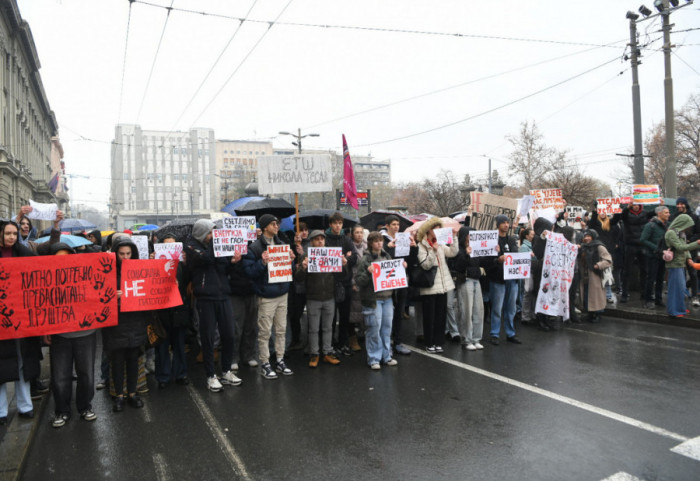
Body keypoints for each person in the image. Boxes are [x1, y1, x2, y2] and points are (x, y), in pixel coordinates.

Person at [185, 219, 241, 392]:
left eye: (214, 232)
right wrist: (217, 243)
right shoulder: (191, 247)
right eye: (210, 232)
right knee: (208, 338)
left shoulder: (215, 246)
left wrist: (233, 262)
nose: (213, 235)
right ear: (202, 233)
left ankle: (225, 371)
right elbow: (207, 259)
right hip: (206, 298)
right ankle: (210, 375)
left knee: (229, 335)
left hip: (223, 295)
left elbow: (224, 268)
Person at [45, 243, 98, 427]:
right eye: (58, 258)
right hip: (60, 335)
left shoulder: (86, 275)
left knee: (87, 374)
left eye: (67, 257)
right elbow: (41, 308)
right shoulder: (46, 281)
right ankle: (62, 410)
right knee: (60, 375)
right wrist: (46, 330)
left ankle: (85, 406)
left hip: (85, 332)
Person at [242, 214, 295, 380]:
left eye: (277, 223)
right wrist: (262, 263)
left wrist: (292, 261)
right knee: (265, 332)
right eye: (273, 224)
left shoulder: (282, 244)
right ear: (265, 227)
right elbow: (249, 272)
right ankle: (265, 362)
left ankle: (279, 359)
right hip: (266, 295)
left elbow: (288, 269)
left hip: (282, 292)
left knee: (281, 330)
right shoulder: (255, 248)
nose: (276, 226)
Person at [0, 221, 41, 425]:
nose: (11, 237)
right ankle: (1, 411)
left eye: (14, 233)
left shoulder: (24, 254)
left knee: (22, 362)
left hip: (21, 320)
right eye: (7, 233)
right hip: (1, 321)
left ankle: (25, 406)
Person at [104, 237, 149, 411]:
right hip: (116, 323)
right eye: (121, 254)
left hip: (136, 320)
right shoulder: (107, 272)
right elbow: (98, 295)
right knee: (117, 361)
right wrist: (111, 297)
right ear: (115, 254)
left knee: (133, 360)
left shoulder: (140, 270)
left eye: (128, 254)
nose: (125, 257)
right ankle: (119, 396)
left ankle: (132, 393)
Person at [294, 230, 345, 368]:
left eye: (322, 239)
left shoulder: (331, 254)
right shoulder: (306, 255)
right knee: (313, 329)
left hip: (329, 297)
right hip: (313, 297)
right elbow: (298, 278)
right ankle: (314, 354)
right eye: (317, 239)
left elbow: (342, 276)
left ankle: (327, 352)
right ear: (311, 242)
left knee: (328, 327)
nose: (320, 241)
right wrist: (303, 268)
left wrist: (344, 264)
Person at [354, 231, 400, 370]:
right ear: (370, 243)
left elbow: (394, 275)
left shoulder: (387, 256)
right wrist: (368, 273)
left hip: (387, 298)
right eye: (376, 241)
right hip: (373, 300)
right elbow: (358, 281)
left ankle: (386, 356)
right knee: (374, 329)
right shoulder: (366, 260)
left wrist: (401, 269)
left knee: (387, 329)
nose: (379, 243)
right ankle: (374, 358)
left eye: (380, 240)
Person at [416, 217, 459, 353]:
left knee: (441, 316)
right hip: (430, 287)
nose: (439, 231)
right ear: (429, 230)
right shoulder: (421, 246)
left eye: (440, 228)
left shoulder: (440, 243)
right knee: (430, 316)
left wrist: (454, 238)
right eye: (436, 228)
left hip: (444, 285)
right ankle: (429, 343)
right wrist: (433, 252)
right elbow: (426, 265)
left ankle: (439, 342)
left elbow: (452, 253)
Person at [153, 235, 190, 389]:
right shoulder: (154, 264)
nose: (170, 249)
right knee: (162, 346)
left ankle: (180, 374)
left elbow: (189, 281)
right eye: (167, 246)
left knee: (180, 345)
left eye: (173, 246)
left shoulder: (182, 264)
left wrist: (187, 264)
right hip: (162, 312)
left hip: (179, 310)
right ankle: (163, 376)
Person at [324, 212, 358, 356]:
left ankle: (343, 343)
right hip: (330, 282)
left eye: (340, 223)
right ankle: (330, 343)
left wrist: (347, 260)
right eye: (335, 223)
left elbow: (355, 257)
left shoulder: (347, 240)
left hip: (345, 283)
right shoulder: (325, 240)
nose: (338, 226)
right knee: (330, 317)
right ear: (331, 224)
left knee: (344, 316)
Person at [485, 215, 521, 345]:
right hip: (498, 279)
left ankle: (510, 333)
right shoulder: (491, 240)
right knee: (497, 308)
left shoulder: (511, 240)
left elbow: (516, 256)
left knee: (511, 308)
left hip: (511, 278)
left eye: (507, 222)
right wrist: (497, 259)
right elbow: (487, 261)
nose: (506, 225)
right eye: (503, 222)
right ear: (498, 224)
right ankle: (494, 333)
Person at [382, 215, 414, 355]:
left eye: (398, 224)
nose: (396, 227)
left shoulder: (403, 239)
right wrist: (388, 248)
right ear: (387, 226)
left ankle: (398, 341)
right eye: (393, 224)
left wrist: (414, 247)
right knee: (387, 314)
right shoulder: (382, 240)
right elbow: (380, 259)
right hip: (387, 282)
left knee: (399, 311)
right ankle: (386, 342)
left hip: (400, 279)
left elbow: (410, 259)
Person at [450, 227, 485, 351]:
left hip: (476, 280)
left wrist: (494, 251)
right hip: (465, 281)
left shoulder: (476, 248)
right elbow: (458, 266)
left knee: (478, 311)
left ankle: (476, 338)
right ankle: (466, 339)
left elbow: (484, 262)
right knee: (466, 311)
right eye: (470, 235)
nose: (472, 238)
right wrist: (466, 254)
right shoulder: (459, 249)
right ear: (465, 236)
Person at [664, 214, 700, 318]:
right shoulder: (671, 233)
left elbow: (685, 248)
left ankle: (680, 308)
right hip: (674, 264)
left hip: (680, 263)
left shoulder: (680, 233)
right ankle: (674, 310)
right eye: (687, 225)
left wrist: (688, 258)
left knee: (681, 288)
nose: (688, 228)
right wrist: (696, 243)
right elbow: (680, 247)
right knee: (675, 288)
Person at [620, 201, 653, 303]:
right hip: (630, 245)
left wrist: (660, 205)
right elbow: (622, 215)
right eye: (633, 205)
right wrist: (626, 208)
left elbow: (654, 213)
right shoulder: (626, 214)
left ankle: (643, 293)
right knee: (627, 271)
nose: (635, 207)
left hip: (642, 245)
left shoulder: (645, 213)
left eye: (637, 205)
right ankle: (624, 293)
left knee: (645, 270)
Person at [588, 208, 622, 302]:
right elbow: (591, 223)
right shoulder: (595, 223)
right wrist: (595, 211)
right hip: (597, 251)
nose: (602, 213)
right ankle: (598, 296)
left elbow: (617, 219)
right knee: (597, 275)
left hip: (608, 251)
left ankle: (608, 295)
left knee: (607, 274)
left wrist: (617, 209)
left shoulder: (610, 223)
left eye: (604, 212)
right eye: (600, 212)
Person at [578, 231, 612, 323]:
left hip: (595, 275)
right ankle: (590, 313)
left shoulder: (599, 246)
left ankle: (597, 314)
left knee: (595, 296)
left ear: (593, 237)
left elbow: (608, 260)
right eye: (586, 236)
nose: (587, 238)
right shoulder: (583, 247)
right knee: (586, 296)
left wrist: (598, 265)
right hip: (584, 275)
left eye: (589, 236)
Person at [640, 206, 670, 309]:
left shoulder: (668, 226)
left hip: (663, 256)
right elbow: (643, 239)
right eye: (666, 213)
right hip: (652, 256)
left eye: (668, 212)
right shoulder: (650, 225)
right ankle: (648, 300)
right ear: (659, 213)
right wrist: (656, 248)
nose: (668, 214)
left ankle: (658, 299)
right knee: (651, 278)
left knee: (661, 278)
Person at [672, 198, 700, 307]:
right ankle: (682, 294)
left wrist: (690, 240)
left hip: (691, 249)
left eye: (681, 204)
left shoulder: (694, 217)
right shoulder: (674, 217)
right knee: (680, 273)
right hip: (678, 249)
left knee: (692, 273)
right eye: (678, 204)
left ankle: (695, 296)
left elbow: (698, 232)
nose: (679, 206)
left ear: (686, 205)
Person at [288, 222, 310, 351]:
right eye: (301, 230)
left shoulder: (310, 245)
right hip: (296, 286)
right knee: (295, 314)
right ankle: (296, 339)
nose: (304, 232)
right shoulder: (292, 244)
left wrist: (302, 255)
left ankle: (308, 341)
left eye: (306, 230)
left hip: (308, 285)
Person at [518, 227, 536, 326]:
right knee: (527, 292)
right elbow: (521, 260)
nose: (533, 236)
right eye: (531, 234)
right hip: (527, 272)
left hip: (530, 271)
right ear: (526, 235)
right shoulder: (525, 247)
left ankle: (528, 314)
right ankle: (525, 315)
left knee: (529, 293)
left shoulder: (529, 245)